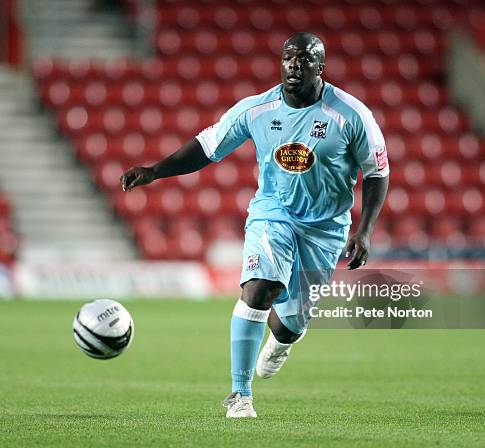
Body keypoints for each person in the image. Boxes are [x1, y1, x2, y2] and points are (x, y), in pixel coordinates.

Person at [120, 32, 389, 418]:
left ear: (321, 68)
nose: (294, 64)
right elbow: (207, 147)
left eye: (305, 59)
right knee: (259, 289)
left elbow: (377, 171)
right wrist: (154, 171)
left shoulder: (351, 115)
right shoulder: (256, 110)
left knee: (288, 326)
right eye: (288, 58)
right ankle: (239, 395)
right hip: (273, 214)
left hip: (325, 229)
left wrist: (364, 231)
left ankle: (283, 341)